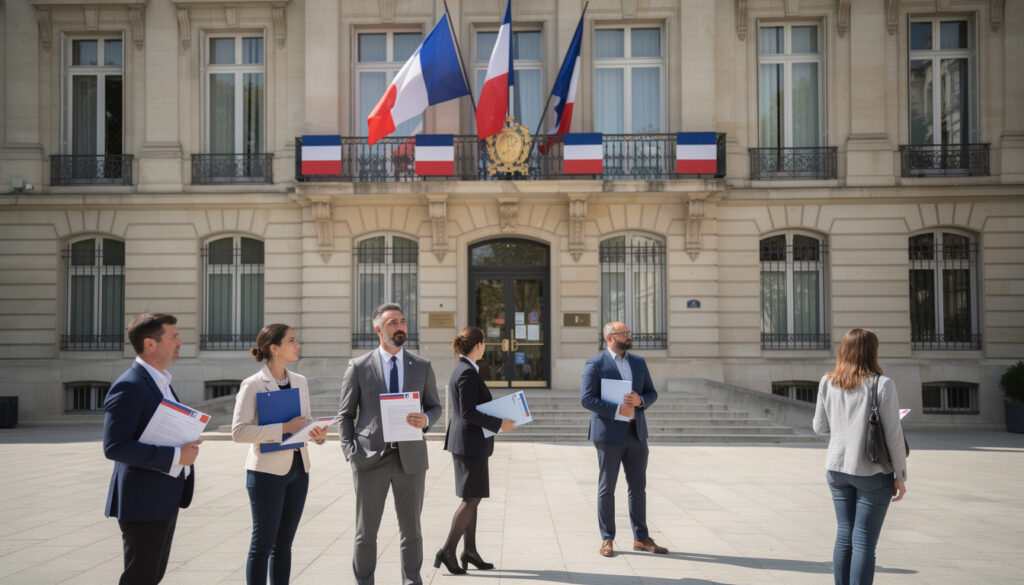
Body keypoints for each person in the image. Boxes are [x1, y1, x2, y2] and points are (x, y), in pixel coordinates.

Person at [338, 303, 443, 585]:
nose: (400, 327)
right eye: (393, 322)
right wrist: (350, 451)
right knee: (366, 531)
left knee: (412, 531)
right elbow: (345, 414)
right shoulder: (359, 367)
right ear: (379, 330)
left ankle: (411, 580)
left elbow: (435, 406)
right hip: (370, 459)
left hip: (411, 460)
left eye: (403, 321)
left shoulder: (421, 365)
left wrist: (427, 419)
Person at [103, 312, 201, 585]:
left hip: (163, 497)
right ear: (151, 344)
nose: (180, 342)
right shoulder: (130, 385)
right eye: (173, 337)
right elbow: (115, 446)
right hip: (142, 501)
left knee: (151, 576)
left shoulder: (161, 382)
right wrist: (176, 455)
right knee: (140, 577)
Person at [232, 324, 328, 585]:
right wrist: (283, 429)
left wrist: (316, 435)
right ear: (275, 349)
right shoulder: (252, 384)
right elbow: (239, 432)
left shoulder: (300, 381)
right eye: (292, 340)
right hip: (266, 473)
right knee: (262, 544)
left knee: (284, 545)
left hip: (299, 470)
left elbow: (304, 422)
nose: (298, 345)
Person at [813, 328, 908, 585]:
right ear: (872, 351)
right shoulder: (883, 384)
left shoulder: (827, 381)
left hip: (836, 469)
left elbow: (819, 427)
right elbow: (894, 437)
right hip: (872, 471)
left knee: (844, 535)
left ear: (844, 350)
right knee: (864, 540)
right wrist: (900, 476)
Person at [580, 321, 668, 558]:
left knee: (638, 488)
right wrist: (618, 410)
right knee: (606, 488)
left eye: (629, 333)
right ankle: (607, 538)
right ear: (610, 337)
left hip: (636, 433)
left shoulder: (638, 362)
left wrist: (641, 402)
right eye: (623, 333)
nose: (628, 336)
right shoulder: (595, 363)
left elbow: (651, 392)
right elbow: (587, 399)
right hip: (609, 435)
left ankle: (641, 538)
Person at [435, 326, 517, 574]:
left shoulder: (465, 369)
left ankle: (469, 551)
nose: (486, 347)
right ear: (478, 345)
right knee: (470, 499)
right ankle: (448, 550)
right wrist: (499, 423)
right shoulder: (467, 373)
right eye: (484, 343)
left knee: (473, 497)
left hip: (469, 442)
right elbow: (468, 411)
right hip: (469, 444)